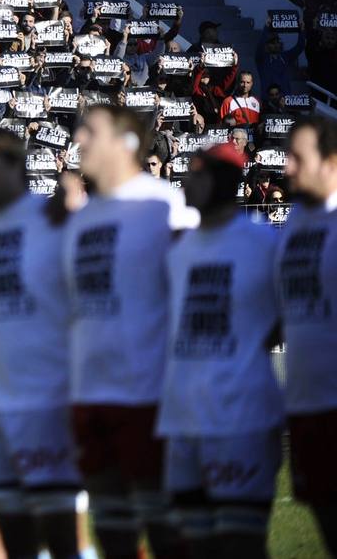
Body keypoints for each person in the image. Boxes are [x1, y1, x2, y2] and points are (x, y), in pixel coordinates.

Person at [61, 106, 196, 559]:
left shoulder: (163, 206)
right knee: (111, 528)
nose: (79, 138)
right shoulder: (83, 215)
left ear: (126, 143)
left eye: (91, 131)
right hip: (89, 393)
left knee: (163, 529)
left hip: (146, 394)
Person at [0, 129, 83, 559]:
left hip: (43, 394)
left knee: (60, 526)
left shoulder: (51, 216)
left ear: (16, 165)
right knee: (12, 527)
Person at [158, 143, 281, 557]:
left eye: (193, 175)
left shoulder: (263, 243)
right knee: (189, 545)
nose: (184, 183)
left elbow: (284, 324)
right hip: (184, 420)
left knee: (239, 545)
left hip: (240, 417)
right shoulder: (177, 249)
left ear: (217, 183)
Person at [276, 117, 337, 554]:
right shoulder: (296, 225)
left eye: (298, 158)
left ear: (332, 163)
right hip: (305, 408)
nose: (287, 169)